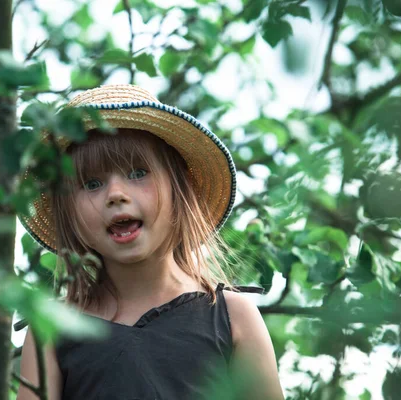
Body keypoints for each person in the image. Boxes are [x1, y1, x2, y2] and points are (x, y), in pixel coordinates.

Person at [17, 84, 284, 400]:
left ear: (179, 189)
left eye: (137, 172)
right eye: (91, 183)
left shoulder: (233, 316)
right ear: (68, 210)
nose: (116, 194)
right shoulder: (52, 329)